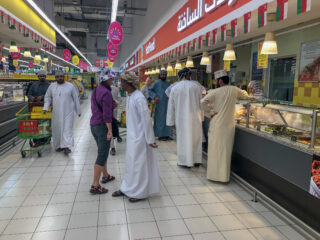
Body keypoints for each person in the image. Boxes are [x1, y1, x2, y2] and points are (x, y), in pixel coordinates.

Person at [112, 71, 160, 202]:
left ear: (129, 83)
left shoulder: (139, 98)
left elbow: (146, 120)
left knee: (139, 165)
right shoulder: (130, 96)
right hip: (132, 137)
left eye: (122, 82)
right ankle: (126, 188)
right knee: (130, 164)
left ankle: (139, 193)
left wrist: (150, 139)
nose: (120, 84)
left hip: (140, 138)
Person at [200, 70, 250, 182]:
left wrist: (211, 112)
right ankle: (223, 177)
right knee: (225, 152)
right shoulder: (235, 89)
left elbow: (202, 102)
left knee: (215, 150)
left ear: (220, 81)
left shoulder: (215, 91)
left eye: (217, 81)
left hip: (217, 124)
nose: (216, 82)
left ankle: (213, 176)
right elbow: (246, 96)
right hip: (229, 126)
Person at [167, 68, 203, 168]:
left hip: (181, 119)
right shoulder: (197, 86)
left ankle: (184, 161)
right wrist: (202, 117)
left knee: (183, 140)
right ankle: (196, 160)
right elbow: (202, 103)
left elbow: (171, 107)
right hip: (196, 118)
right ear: (188, 75)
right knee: (195, 138)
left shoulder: (175, 88)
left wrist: (171, 122)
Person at [89, 67, 116, 194]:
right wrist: (110, 130)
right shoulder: (106, 93)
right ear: (106, 79)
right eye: (111, 78)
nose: (112, 79)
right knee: (102, 154)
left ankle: (105, 175)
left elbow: (98, 106)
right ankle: (95, 185)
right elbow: (106, 115)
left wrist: (111, 104)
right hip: (102, 126)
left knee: (102, 151)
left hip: (94, 125)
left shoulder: (96, 90)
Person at [43, 70, 81, 155]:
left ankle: (66, 146)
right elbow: (47, 97)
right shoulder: (52, 87)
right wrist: (45, 108)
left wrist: (78, 111)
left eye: (61, 76)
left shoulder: (70, 86)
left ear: (64, 77)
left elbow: (76, 99)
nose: (60, 78)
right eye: (58, 76)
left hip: (68, 112)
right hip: (56, 113)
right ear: (55, 78)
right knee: (57, 129)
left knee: (67, 129)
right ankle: (59, 146)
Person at [28, 70, 51, 147]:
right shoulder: (33, 85)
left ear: (45, 77)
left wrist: (43, 97)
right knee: (36, 124)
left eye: (43, 76)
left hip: (45, 107)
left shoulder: (49, 85)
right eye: (40, 76)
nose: (42, 77)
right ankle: (36, 140)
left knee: (45, 123)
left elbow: (51, 95)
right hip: (34, 108)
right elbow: (29, 94)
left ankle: (46, 139)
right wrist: (32, 98)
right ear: (38, 77)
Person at [148, 70, 172, 141]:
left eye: (164, 74)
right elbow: (150, 90)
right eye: (162, 74)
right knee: (160, 119)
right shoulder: (156, 83)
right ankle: (160, 135)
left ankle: (167, 134)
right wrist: (155, 96)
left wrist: (170, 95)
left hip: (167, 103)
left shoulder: (168, 83)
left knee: (167, 118)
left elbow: (171, 91)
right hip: (159, 104)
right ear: (160, 75)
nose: (163, 76)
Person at [110, 83, 122, 156]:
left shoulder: (115, 89)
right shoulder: (100, 89)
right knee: (108, 129)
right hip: (105, 113)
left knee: (113, 127)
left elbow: (119, 98)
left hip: (113, 111)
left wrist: (115, 102)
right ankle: (111, 147)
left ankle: (113, 146)